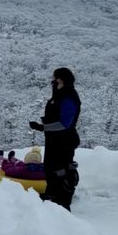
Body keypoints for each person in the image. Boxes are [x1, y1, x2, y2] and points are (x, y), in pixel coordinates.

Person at [29, 67, 81, 211]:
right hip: (54, 141)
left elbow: (64, 124)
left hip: (64, 142)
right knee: (50, 169)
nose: (52, 80)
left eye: (54, 78)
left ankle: (62, 204)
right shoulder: (60, 95)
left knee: (60, 171)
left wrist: (42, 127)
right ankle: (52, 195)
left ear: (60, 79)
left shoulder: (68, 97)